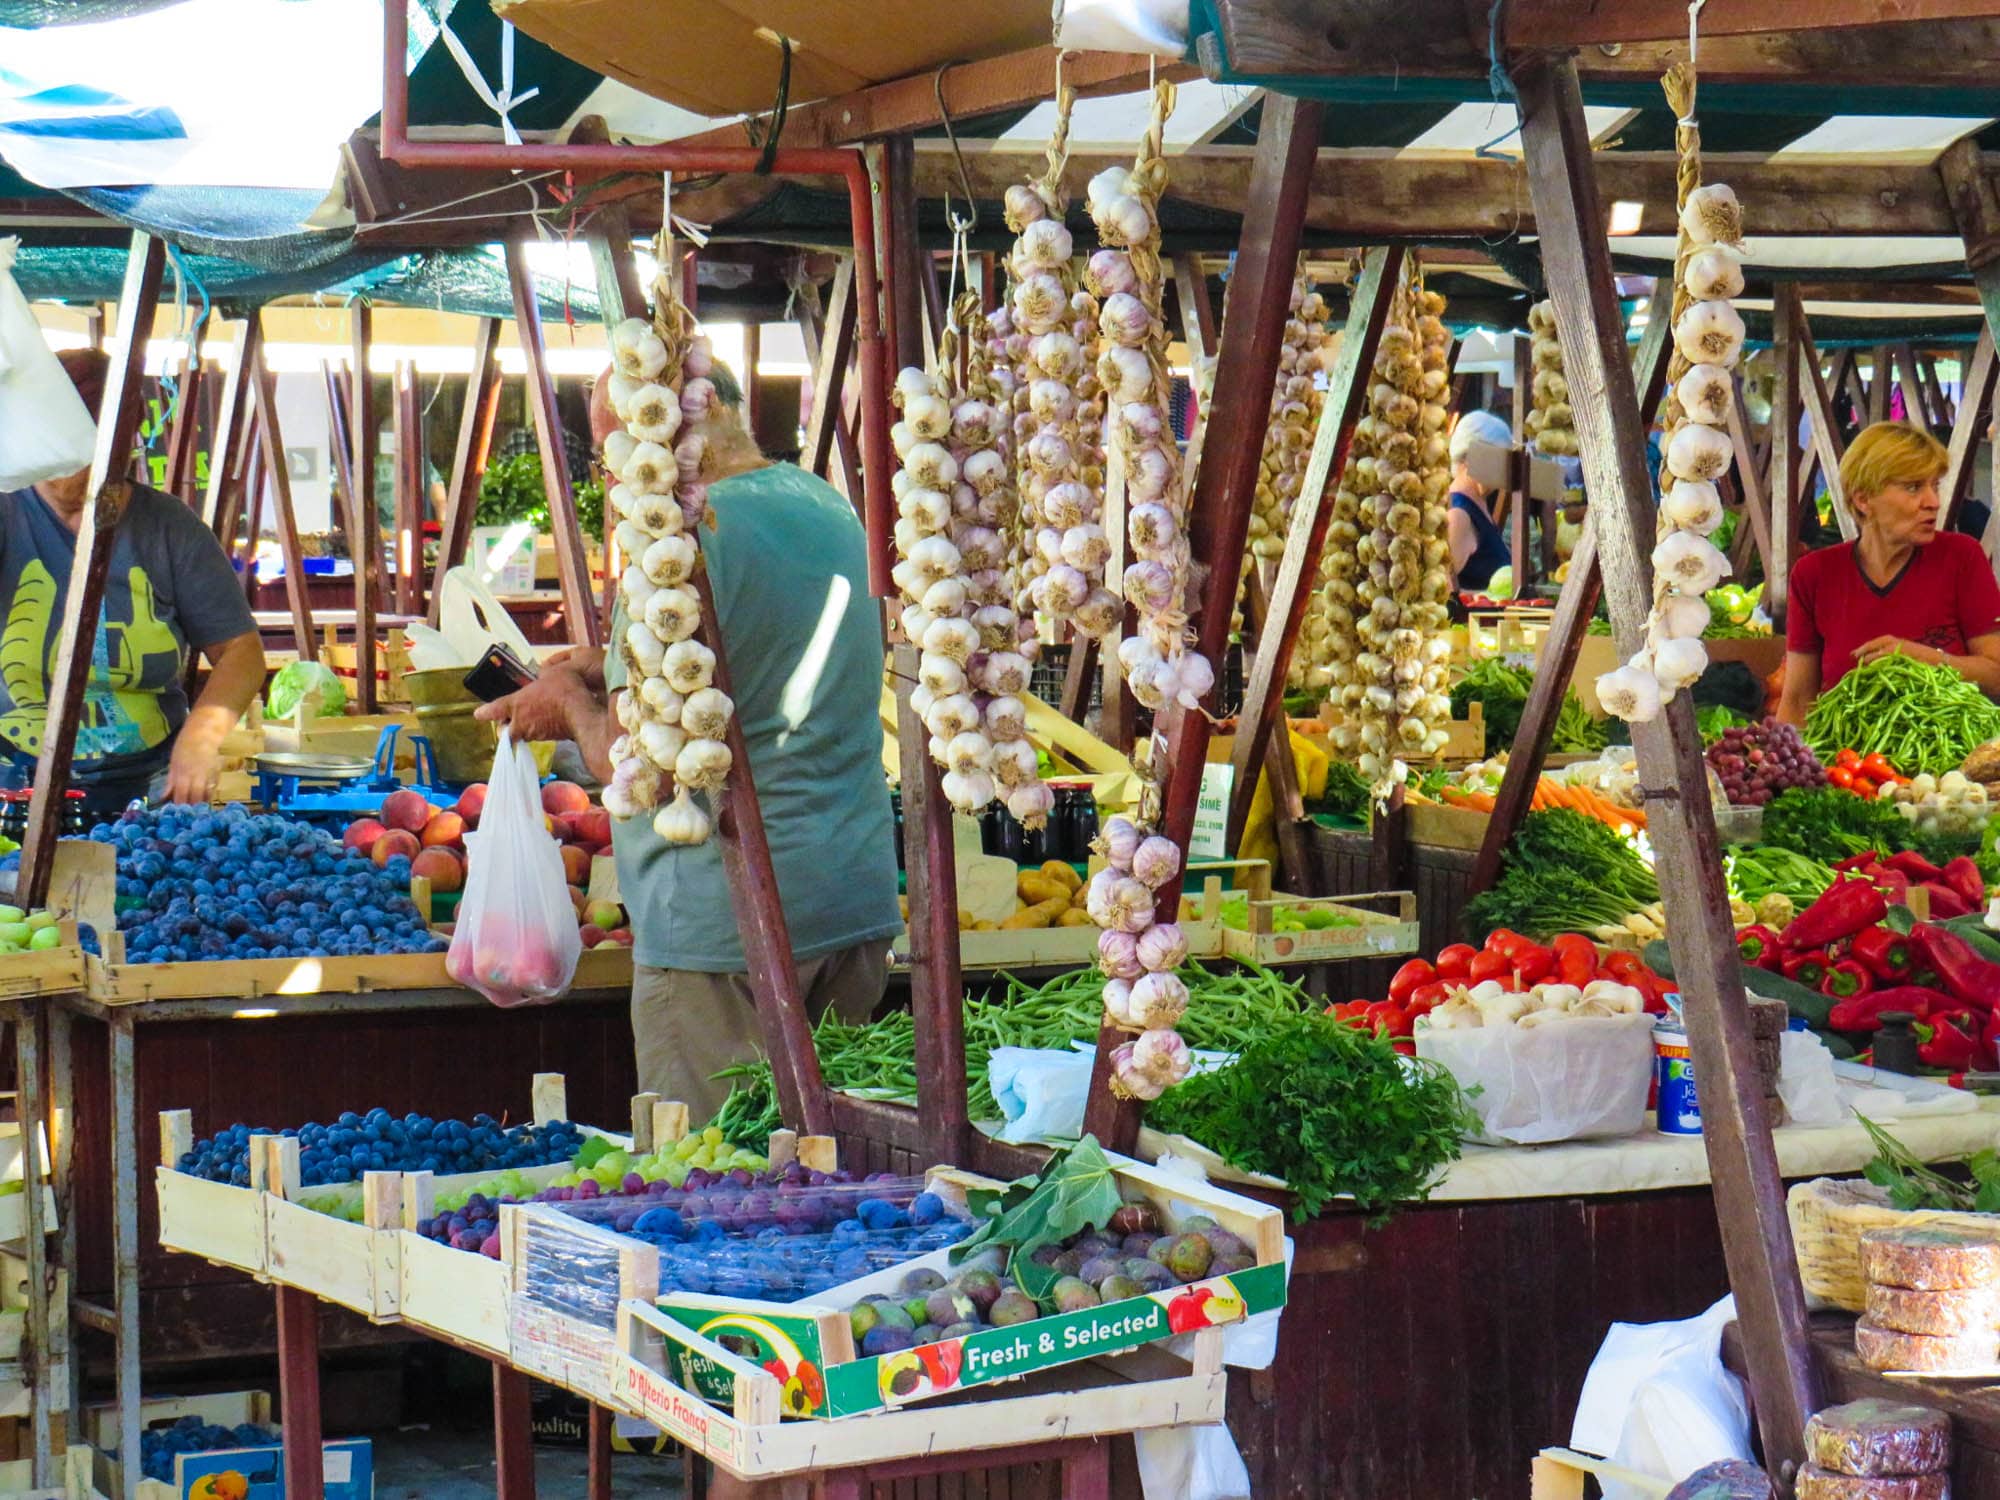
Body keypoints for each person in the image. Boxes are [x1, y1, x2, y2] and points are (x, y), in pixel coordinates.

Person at [475, 363, 900, 1117]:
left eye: (612, 447)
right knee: (836, 1171)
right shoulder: (824, 502)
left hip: (728, 925)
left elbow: (640, 770)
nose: (614, 473)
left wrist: (568, 709)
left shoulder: (680, 538)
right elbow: (744, 672)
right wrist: (602, 669)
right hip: (850, 902)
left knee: (721, 1185)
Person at [0, 348, 264, 811]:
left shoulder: (169, 529)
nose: (77, 474)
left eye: (100, 455)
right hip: (14, 785)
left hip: (148, 791)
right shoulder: (7, 512)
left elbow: (241, 652)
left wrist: (201, 736)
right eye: (66, 452)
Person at [1779, 421, 2000, 725]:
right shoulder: (1814, 574)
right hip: (1850, 764)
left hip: (1950, 765)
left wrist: (1924, 659)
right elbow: (1797, 700)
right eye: (1913, 487)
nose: (1933, 502)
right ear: (1863, 499)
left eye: (1935, 486)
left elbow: (1997, 675)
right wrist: (1784, 767)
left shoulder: (1962, 557)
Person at [1445, 409, 1515, 592]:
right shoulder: (1458, 515)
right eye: (1499, 459)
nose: (1505, 469)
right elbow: (1445, 592)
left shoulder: (1479, 504)